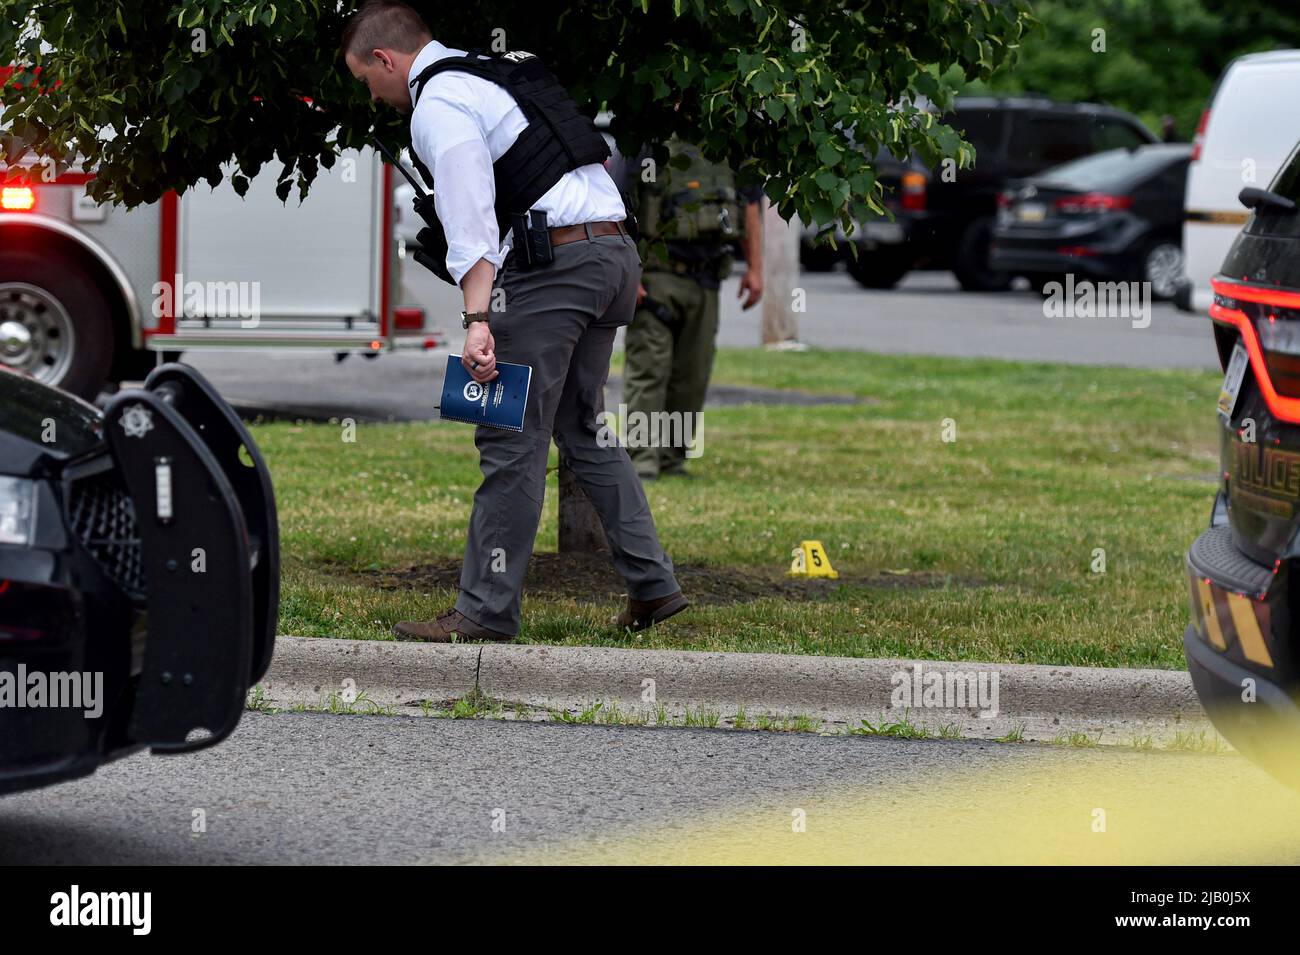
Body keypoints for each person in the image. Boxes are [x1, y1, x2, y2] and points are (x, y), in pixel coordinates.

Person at [340, 0, 687, 641]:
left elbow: (469, 204)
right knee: (582, 428)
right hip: (612, 255)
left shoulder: (439, 102)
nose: (375, 96)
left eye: (369, 81)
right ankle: (654, 587)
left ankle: (483, 612)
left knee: (508, 437)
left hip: (553, 267)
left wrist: (477, 318)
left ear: (386, 60)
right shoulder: (497, 72)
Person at [613, 136, 763, 480]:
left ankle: (672, 459)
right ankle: (642, 459)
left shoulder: (728, 139)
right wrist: (629, 273)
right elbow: (617, 203)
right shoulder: (646, 138)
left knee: (692, 376)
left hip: (707, 276)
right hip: (656, 276)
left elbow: (750, 203)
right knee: (649, 370)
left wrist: (755, 269)